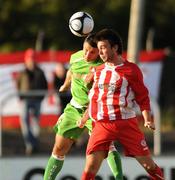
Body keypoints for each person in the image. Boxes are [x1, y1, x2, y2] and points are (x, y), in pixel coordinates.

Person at [78, 29, 164, 180]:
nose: (101, 52)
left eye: (104, 48)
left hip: (126, 124)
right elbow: (95, 99)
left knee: (149, 166)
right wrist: (85, 118)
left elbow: (142, 97)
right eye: (99, 49)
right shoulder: (98, 71)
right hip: (102, 125)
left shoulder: (131, 70)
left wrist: (147, 119)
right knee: (90, 168)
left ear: (115, 48)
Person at [44, 33, 123, 180]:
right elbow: (71, 71)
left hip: (96, 110)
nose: (87, 55)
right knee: (59, 148)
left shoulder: (104, 66)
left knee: (108, 147)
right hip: (74, 108)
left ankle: (119, 177)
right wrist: (66, 85)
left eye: (92, 52)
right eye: (85, 50)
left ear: (99, 52)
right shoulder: (76, 57)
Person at [17, 48, 48, 155]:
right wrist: (20, 96)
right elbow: (18, 84)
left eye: (33, 59)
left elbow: (45, 85)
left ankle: (33, 144)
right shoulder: (23, 72)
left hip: (37, 100)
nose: (31, 61)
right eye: (29, 59)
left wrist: (41, 97)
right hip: (26, 99)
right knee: (25, 121)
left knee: (35, 123)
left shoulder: (40, 72)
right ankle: (30, 144)